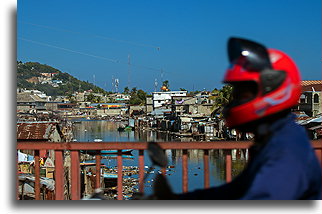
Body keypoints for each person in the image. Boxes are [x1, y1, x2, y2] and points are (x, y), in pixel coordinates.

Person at [154, 37, 322, 200]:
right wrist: (176, 200)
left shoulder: (285, 151)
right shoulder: (273, 140)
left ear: (271, 91)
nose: (233, 102)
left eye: (241, 93)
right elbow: (234, 191)